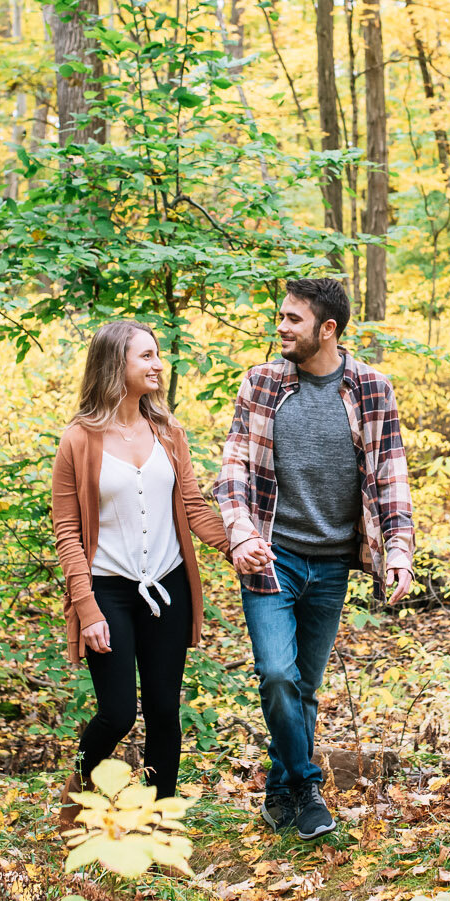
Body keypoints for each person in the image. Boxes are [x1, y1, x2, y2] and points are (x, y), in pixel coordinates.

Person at [216, 278, 414, 840]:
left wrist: (397, 551)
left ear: (327, 329)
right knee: (276, 673)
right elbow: (234, 470)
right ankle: (307, 787)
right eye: (280, 316)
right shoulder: (261, 383)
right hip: (269, 556)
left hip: (331, 566)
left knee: (303, 685)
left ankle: (280, 792)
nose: (280, 327)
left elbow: (391, 477)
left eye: (293, 320)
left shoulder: (372, 388)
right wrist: (241, 533)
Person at [51, 320, 233, 828]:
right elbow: (67, 532)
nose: (157, 364)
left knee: (162, 708)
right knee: (117, 713)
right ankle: (77, 797)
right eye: (146, 356)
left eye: (157, 355)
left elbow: (193, 508)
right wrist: (86, 608)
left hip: (168, 585)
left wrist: (234, 544)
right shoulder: (78, 441)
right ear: (116, 366)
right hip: (108, 590)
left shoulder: (169, 432)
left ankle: (157, 819)